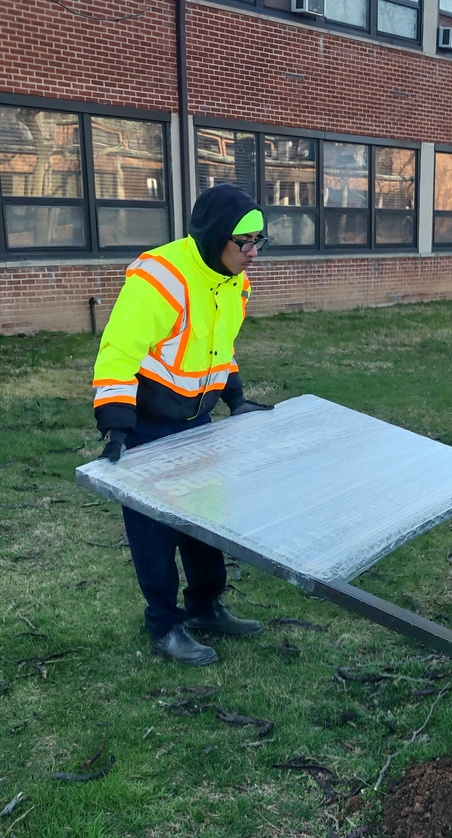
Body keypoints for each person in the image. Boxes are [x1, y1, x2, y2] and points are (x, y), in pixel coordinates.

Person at [92, 183, 273, 667]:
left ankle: (205, 607)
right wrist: (115, 425)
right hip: (149, 424)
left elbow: (219, 349)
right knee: (155, 530)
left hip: (200, 422)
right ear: (217, 237)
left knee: (205, 520)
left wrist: (234, 400)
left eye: (260, 242)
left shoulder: (234, 281)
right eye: (245, 243)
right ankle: (165, 626)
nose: (253, 253)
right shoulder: (162, 278)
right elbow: (118, 351)